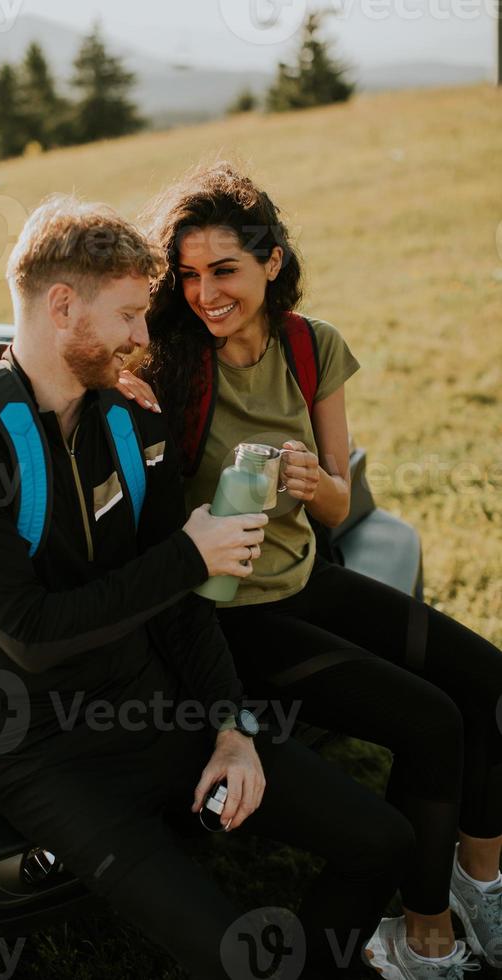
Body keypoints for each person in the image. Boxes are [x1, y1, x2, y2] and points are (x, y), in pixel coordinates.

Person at [0, 195, 417, 980]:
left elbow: (178, 606)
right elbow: (33, 634)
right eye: (128, 317)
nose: (144, 339)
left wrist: (229, 727)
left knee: (383, 840)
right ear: (61, 305)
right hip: (39, 746)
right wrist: (190, 554)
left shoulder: (131, 421)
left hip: (151, 698)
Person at [117, 163, 502, 977]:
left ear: (272, 262)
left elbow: (336, 506)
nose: (204, 294)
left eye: (224, 270)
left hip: (306, 577)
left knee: (487, 681)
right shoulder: (168, 363)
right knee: (431, 722)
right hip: (227, 613)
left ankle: (479, 880)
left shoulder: (310, 344)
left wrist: (316, 483)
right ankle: (421, 936)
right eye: (186, 275)